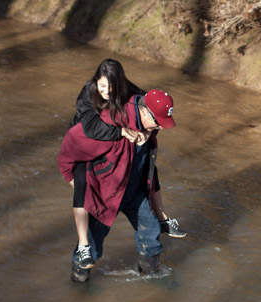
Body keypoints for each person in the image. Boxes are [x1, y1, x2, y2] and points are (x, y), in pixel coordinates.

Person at [64, 59, 185, 272]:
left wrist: (149, 131)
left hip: (134, 191)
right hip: (105, 193)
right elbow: (73, 143)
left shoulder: (139, 106)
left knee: (152, 236)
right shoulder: (101, 115)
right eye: (157, 123)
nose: (160, 128)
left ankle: (151, 276)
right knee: (90, 250)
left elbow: (151, 169)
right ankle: (79, 279)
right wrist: (70, 177)